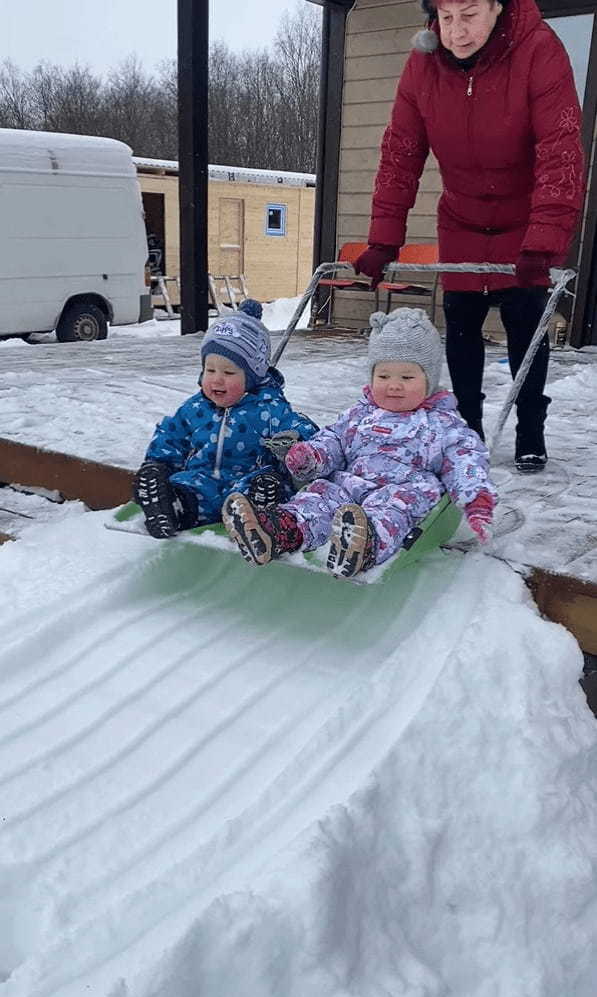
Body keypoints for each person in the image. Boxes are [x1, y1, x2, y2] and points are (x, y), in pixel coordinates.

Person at [354, 0, 585, 473]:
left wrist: (543, 239)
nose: (456, 31)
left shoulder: (538, 49)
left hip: (524, 221)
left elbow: (560, 151)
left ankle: (529, 431)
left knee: (526, 324)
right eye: (446, 16)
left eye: (471, 13)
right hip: (460, 217)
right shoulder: (423, 64)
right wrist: (383, 238)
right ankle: (467, 426)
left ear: (498, 7)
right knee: (461, 325)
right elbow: (401, 151)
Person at [222, 308, 496, 579]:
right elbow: (334, 440)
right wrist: (312, 455)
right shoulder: (360, 414)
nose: (394, 385)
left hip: (404, 487)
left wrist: (477, 501)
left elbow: (466, 460)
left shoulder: (443, 423)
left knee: (395, 509)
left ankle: (363, 546)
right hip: (351, 483)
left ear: (430, 379)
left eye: (407, 377)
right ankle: (279, 530)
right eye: (384, 376)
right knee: (319, 493)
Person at [133, 299, 318, 538]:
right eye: (210, 370)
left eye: (229, 372)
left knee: (267, 485)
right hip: (204, 480)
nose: (217, 379)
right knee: (189, 488)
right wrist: (159, 464)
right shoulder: (196, 407)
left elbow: (301, 427)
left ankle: (260, 511)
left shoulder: (269, 408)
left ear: (252, 377)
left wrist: (295, 440)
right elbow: (171, 434)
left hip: (249, 480)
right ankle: (171, 506)